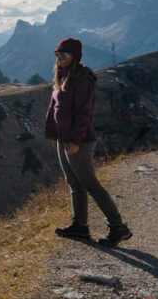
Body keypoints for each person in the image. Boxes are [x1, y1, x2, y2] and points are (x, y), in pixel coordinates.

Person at [44, 37, 132, 246]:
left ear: (75, 56)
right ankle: (80, 226)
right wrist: (53, 134)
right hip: (63, 139)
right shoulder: (62, 75)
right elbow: (53, 108)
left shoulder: (82, 78)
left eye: (64, 54)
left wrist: (74, 140)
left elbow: (84, 113)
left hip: (79, 141)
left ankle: (118, 227)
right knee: (74, 184)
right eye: (58, 54)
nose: (61, 58)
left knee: (90, 184)